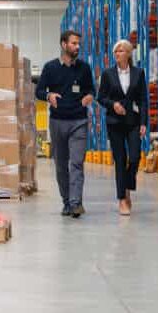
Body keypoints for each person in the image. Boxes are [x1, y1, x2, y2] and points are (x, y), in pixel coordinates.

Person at [35, 30, 95, 218]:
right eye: (74, 43)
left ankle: (76, 203)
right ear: (63, 44)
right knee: (61, 165)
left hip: (79, 121)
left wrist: (89, 96)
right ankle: (67, 202)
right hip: (57, 122)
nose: (77, 47)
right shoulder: (50, 67)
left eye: (78, 44)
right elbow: (39, 91)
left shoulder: (84, 68)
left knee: (76, 163)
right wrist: (48, 95)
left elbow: (91, 89)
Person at [97, 39, 148, 216]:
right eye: (115, 52)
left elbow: (143, 99)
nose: (117, 54)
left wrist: (143, 122)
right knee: (120, 159)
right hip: (115, 122)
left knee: (134, 157)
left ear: (129, 53)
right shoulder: (108, 74)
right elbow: (101, 97)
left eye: (121, 51)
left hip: (133, 121)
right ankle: (122, 199)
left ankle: (127, 186)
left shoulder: (138, 73)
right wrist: (113, 105)